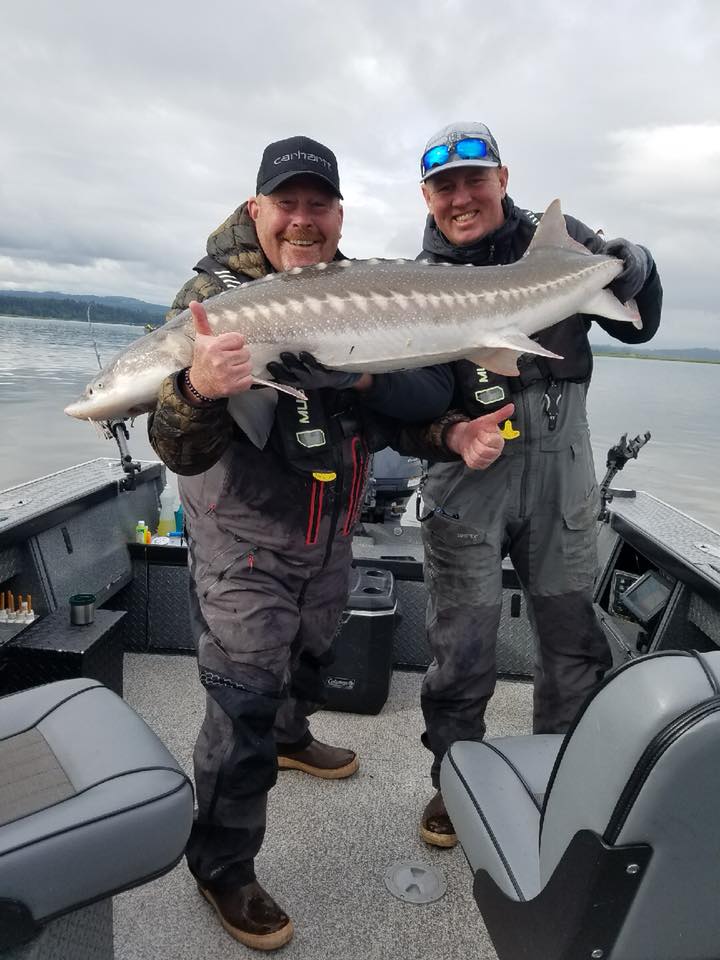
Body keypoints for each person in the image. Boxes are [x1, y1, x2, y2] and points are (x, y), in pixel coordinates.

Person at [147, 135, 507, 950]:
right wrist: (201, 385)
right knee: (240, 696)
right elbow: (173, 443)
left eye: (319, 205)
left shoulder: (356, 291)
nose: (303, 221)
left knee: (311, 649)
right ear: (257, 210)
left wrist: (451, 434)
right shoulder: (211, 299)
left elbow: (395, 414)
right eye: (287, 205)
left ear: (339, 214)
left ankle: (294, 734)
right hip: (243, 534)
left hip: (329, 529)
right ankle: (223, 870)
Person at [412, 121, 663, 848]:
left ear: (503, 178)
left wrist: (638, 263)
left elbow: (637, 326)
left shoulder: (557, 240)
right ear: (427, 197)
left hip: (563, 456)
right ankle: (453, 782)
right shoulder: (419, 274)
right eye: (444, 187)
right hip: (468, 464)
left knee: (570, 634)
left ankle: (561, 776)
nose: (462, 198)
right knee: (461, 642)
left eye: (474, 180)